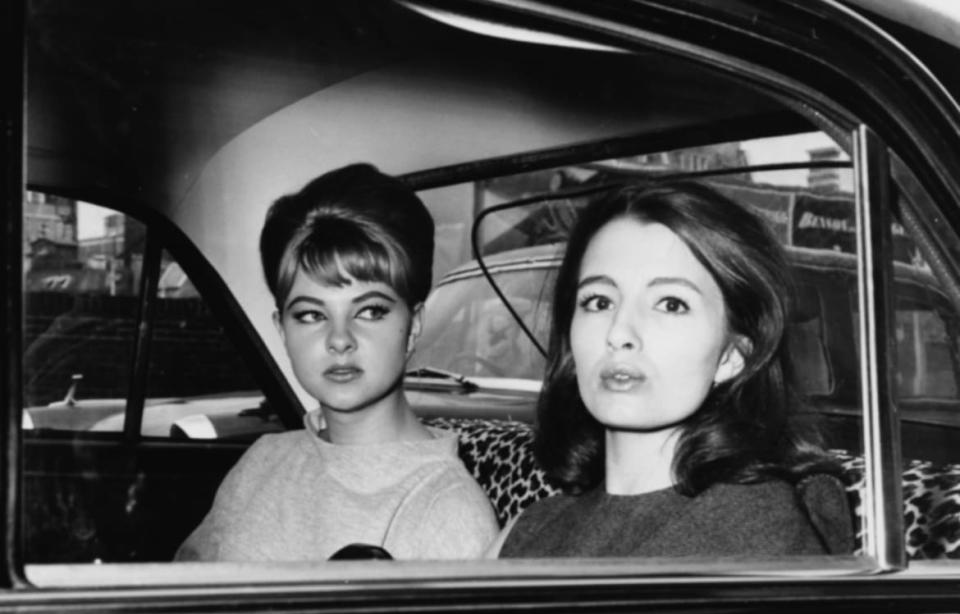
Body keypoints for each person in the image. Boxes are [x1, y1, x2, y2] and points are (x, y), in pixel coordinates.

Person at [497, 180, 854, 558]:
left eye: (670, 304)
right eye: (599, 301)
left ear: (734, 355)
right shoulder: (532, 527)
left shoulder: (759, 541)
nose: (619, 332)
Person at [177, 163, 498, 561]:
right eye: (311, 315)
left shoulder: (446, 509)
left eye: (370, 311)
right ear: (282, 329)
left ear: (413, 324)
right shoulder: (264, 459)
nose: (339, 339)